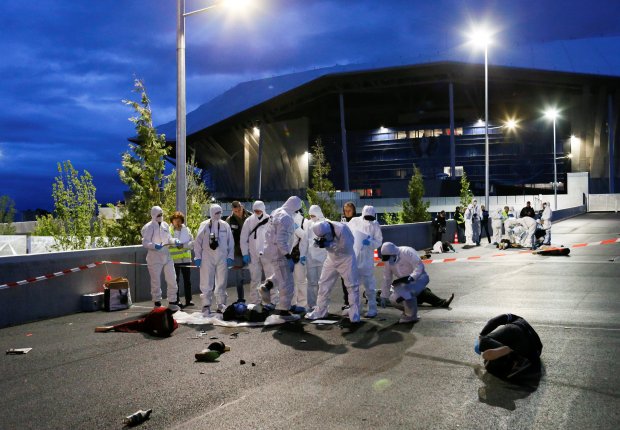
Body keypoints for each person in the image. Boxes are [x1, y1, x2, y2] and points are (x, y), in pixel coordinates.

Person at [305, 220, 361, 323]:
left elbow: (347, 247)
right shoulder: (323, 228)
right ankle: (320, 310)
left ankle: (354, 314)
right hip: (331, 258)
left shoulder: (342, 229)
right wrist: (320, 243)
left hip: (346, 259)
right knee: (323, 284)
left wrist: (328, 244)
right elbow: (324, 242)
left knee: (352, 286)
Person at [257, 196, 302, 317]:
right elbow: (281, 240)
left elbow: (268, 233)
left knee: (280, 275)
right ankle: (284, 311)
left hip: (272, 251)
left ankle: (267, 285)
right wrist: (288, 256)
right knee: (287, 282)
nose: (297, 212)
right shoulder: (286, 217)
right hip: (280, 253)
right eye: (297, 209)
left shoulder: (276, 212)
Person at [378, 242, 436, 323]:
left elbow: (419, 266)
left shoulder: (407, 252)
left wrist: (412, 277)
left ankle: (411, 316)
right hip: (405, 283)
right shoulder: (388, 261)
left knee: (406, 291)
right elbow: (387, 278)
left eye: (389, 257)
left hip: (420, 279)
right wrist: (383, 296)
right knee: (393, 299)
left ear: (394, 253)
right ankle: (411, 313)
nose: (388, 260)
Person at [194, 204, 234, 317]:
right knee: (206, 281)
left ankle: (221, 304)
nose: (218, 215)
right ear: (212, 213)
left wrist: (230, 256)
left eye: (220, 212)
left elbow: (230, 242)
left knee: (221, 281)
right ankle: (206, 305)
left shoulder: (225, 225)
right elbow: (197, 242)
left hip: (222, 257)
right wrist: (197, 257)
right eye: (216, 212)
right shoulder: (205, 225)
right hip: (207, 257)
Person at [474, 313, 543, 380]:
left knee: (484, 341)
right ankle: (514, 358)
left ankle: (511, 353)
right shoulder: (522, 321)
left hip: (516, 330)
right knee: (492, 365)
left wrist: (482, 335)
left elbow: (496, 320)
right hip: (535, 351)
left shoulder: (515, 318)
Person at [141, 206, 181, 311]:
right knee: (156, 281)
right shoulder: (149, 227)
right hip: (154, 257)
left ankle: (172, 302)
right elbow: (145, 242)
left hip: (166, 255)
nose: (161, 216)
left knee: (172, 278)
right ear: (153, 215)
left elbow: (168, 239)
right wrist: (154, 246)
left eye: (162, 214)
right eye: (158, 215)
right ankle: (157, 303)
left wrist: (174, 241)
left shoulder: (165, 225)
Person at [348, 205, 383, 318]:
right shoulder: (354, 221)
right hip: (354, 256)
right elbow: (346, 233)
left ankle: (372, 309)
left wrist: (370, 242)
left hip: (367, 258)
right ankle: (355, 309)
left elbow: (378, 241)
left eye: (370, 217)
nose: (369, 220)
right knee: (354, 286)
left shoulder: (375, 224)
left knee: (369, 286)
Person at [240, 200, 273, 305]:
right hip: (253, 254)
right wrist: (245, 253)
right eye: (255, 210)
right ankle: (255, 301)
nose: (257, 212)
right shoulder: (249, 221)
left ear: (263, 209)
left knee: (270, 278)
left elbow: (274, 237)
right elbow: (243, 238)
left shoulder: (270, 220)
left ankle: (272, 301)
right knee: (255, 279)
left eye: (259, 210)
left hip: (267, 254)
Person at [226, 201, 251, 301]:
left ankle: (257, 299)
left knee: (255, 275)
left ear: (242, 207)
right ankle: (241, 298)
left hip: (251, 249)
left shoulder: (250, 216)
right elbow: (227, 237)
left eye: (239, 210)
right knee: (239, 276)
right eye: (235, 211)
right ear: (232, 210)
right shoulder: (229, 220)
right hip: (237, 251)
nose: (238, 213)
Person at [169, 211, 194, 308]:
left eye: (179, 221)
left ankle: (189, 299)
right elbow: (168, 243)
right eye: (175, 221)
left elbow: (192, 243)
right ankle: (177, 300)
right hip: (175, 259)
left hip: (186, 259)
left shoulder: (186, 230)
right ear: (172, 221)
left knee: (187, 280)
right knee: (176, 281)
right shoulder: (169, 231)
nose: (177, 222)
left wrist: (183, 245)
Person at [306, 205, 327, 310]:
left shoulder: (326, 223)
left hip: (322, 257)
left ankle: (322, 305)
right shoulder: (308, 224)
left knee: (322, 282)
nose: (312, 217)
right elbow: (304, 238)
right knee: (311, 282)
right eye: (310, 215)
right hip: (310, 257)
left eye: (313, 215)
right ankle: (311, 304)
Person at [339, 201, 357, 312]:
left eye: (349, 210)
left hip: (355, 254)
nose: (347, 212)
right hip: (344, 255)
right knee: (344, 280)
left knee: (354, 282)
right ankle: (347, 302)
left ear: (353, 210)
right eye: (345, 210)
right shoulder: (342, 222)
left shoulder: (357, 221)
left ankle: (355, 303)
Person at [291, 209, 309, 312]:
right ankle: (292, 303)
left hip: (299, 254)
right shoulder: (286, 219)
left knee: (301, 280)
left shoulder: (304, 221)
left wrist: (297, 229)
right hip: (288, 255)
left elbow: (305, 237)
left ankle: (302, 304)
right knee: (291, 281)